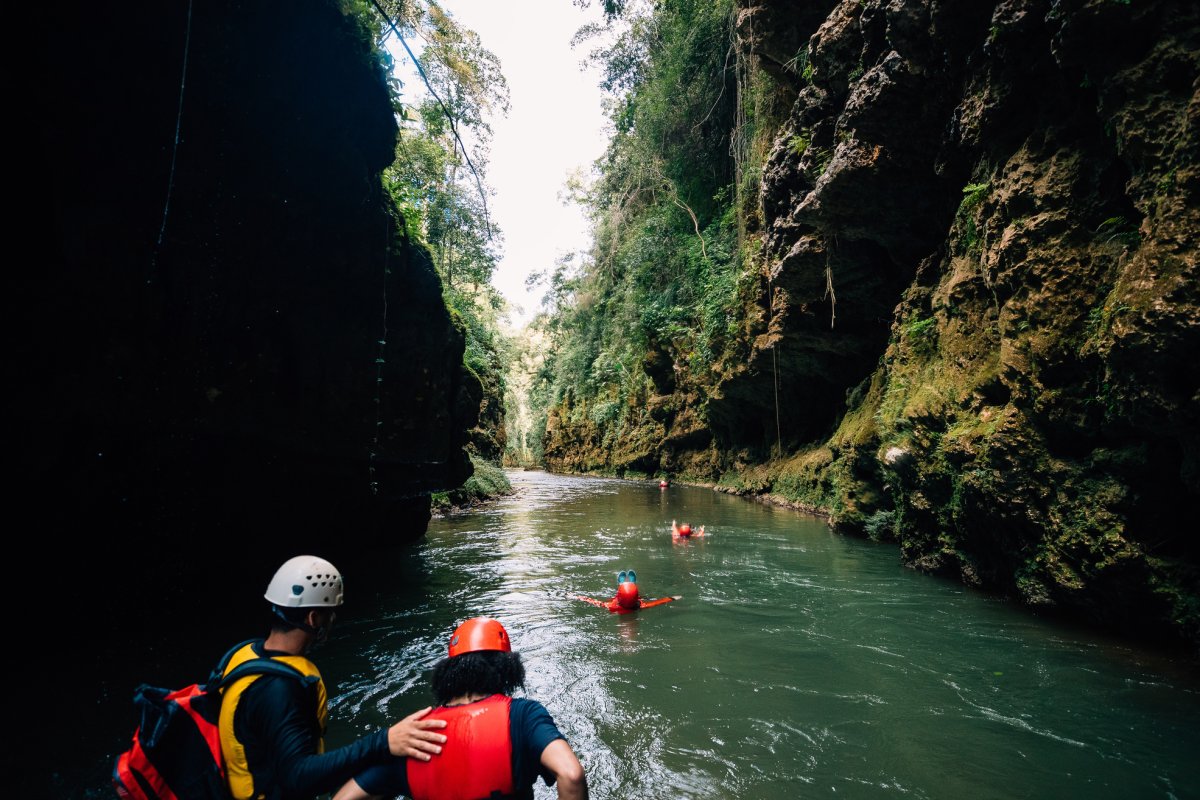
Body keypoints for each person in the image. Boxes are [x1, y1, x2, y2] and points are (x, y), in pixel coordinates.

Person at [218, 555, 449, 800]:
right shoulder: (278, 688)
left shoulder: (244, 655)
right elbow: (298, 777)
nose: (332, 620)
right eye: (329, 614)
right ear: (313, 618)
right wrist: (384, 741)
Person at [332, 616, 589, 800]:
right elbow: (571, 775)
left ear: (450, 672)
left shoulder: (413, 735)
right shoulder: (523, 715)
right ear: (507, 669)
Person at [575, 569, 679, 614]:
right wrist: (673, 598)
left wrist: (577, 597)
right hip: (634, 599)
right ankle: (631, 584)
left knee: (622, 595)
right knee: (641, 597)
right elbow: (660, 601)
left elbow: (592, 601)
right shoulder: (640, 606)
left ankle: (622, 584)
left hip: (621, 599)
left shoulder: (611, 606)